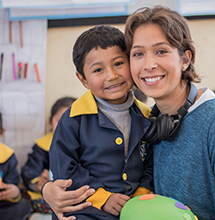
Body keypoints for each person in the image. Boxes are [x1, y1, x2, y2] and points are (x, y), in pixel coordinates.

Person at [42, 6, 215, 220]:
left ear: (185, 60)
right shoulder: (152, 117)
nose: (149, 64)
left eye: (161, 51)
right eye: (138, 54)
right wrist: (48, 189)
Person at [47, 25, 154, 220]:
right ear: (83, 80)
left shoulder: (147, 116)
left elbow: (152, 164)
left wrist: (140, 197)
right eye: (98, 70)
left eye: (119, 63)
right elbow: (64, 168)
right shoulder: (73, 118)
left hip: (135, 208)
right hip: (85, 208)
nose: (111, 76)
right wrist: (102, 198)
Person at [21, 97, 76, 218]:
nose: (64, 127)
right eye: (59, 121)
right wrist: (38, 183)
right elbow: (29, 172)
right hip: (49, 196)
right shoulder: (42, 147)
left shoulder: (86, 146)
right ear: (51, 123)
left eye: (72, 121)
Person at [0, 111, 33, 220]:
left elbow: (13, 185)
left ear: (1, 132)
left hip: (2, 205)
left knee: (23, 205)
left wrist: (14, 192)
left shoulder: (7, 156)